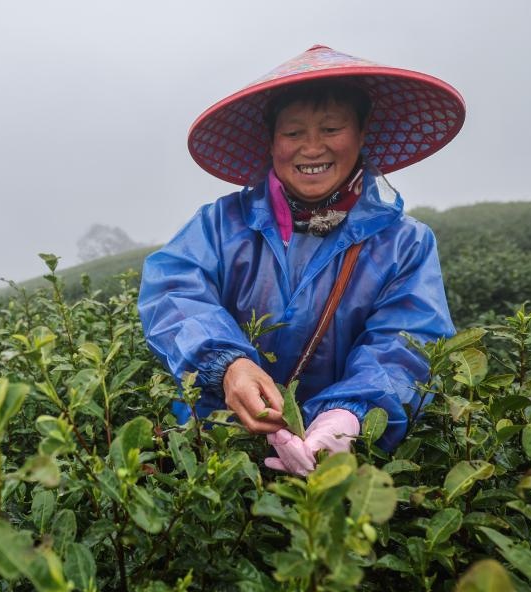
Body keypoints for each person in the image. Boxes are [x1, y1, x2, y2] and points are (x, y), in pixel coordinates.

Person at [138, 45, 465, 476]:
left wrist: (349, 418)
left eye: (331, 128)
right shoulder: (220, 224)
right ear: (272, 141)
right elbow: (171, 291)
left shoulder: (404, 243)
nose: (312, 148)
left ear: (362, 132)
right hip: (219, 452)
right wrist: (227, 366)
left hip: (343, 464)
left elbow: (407, 343)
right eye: (293, 133)